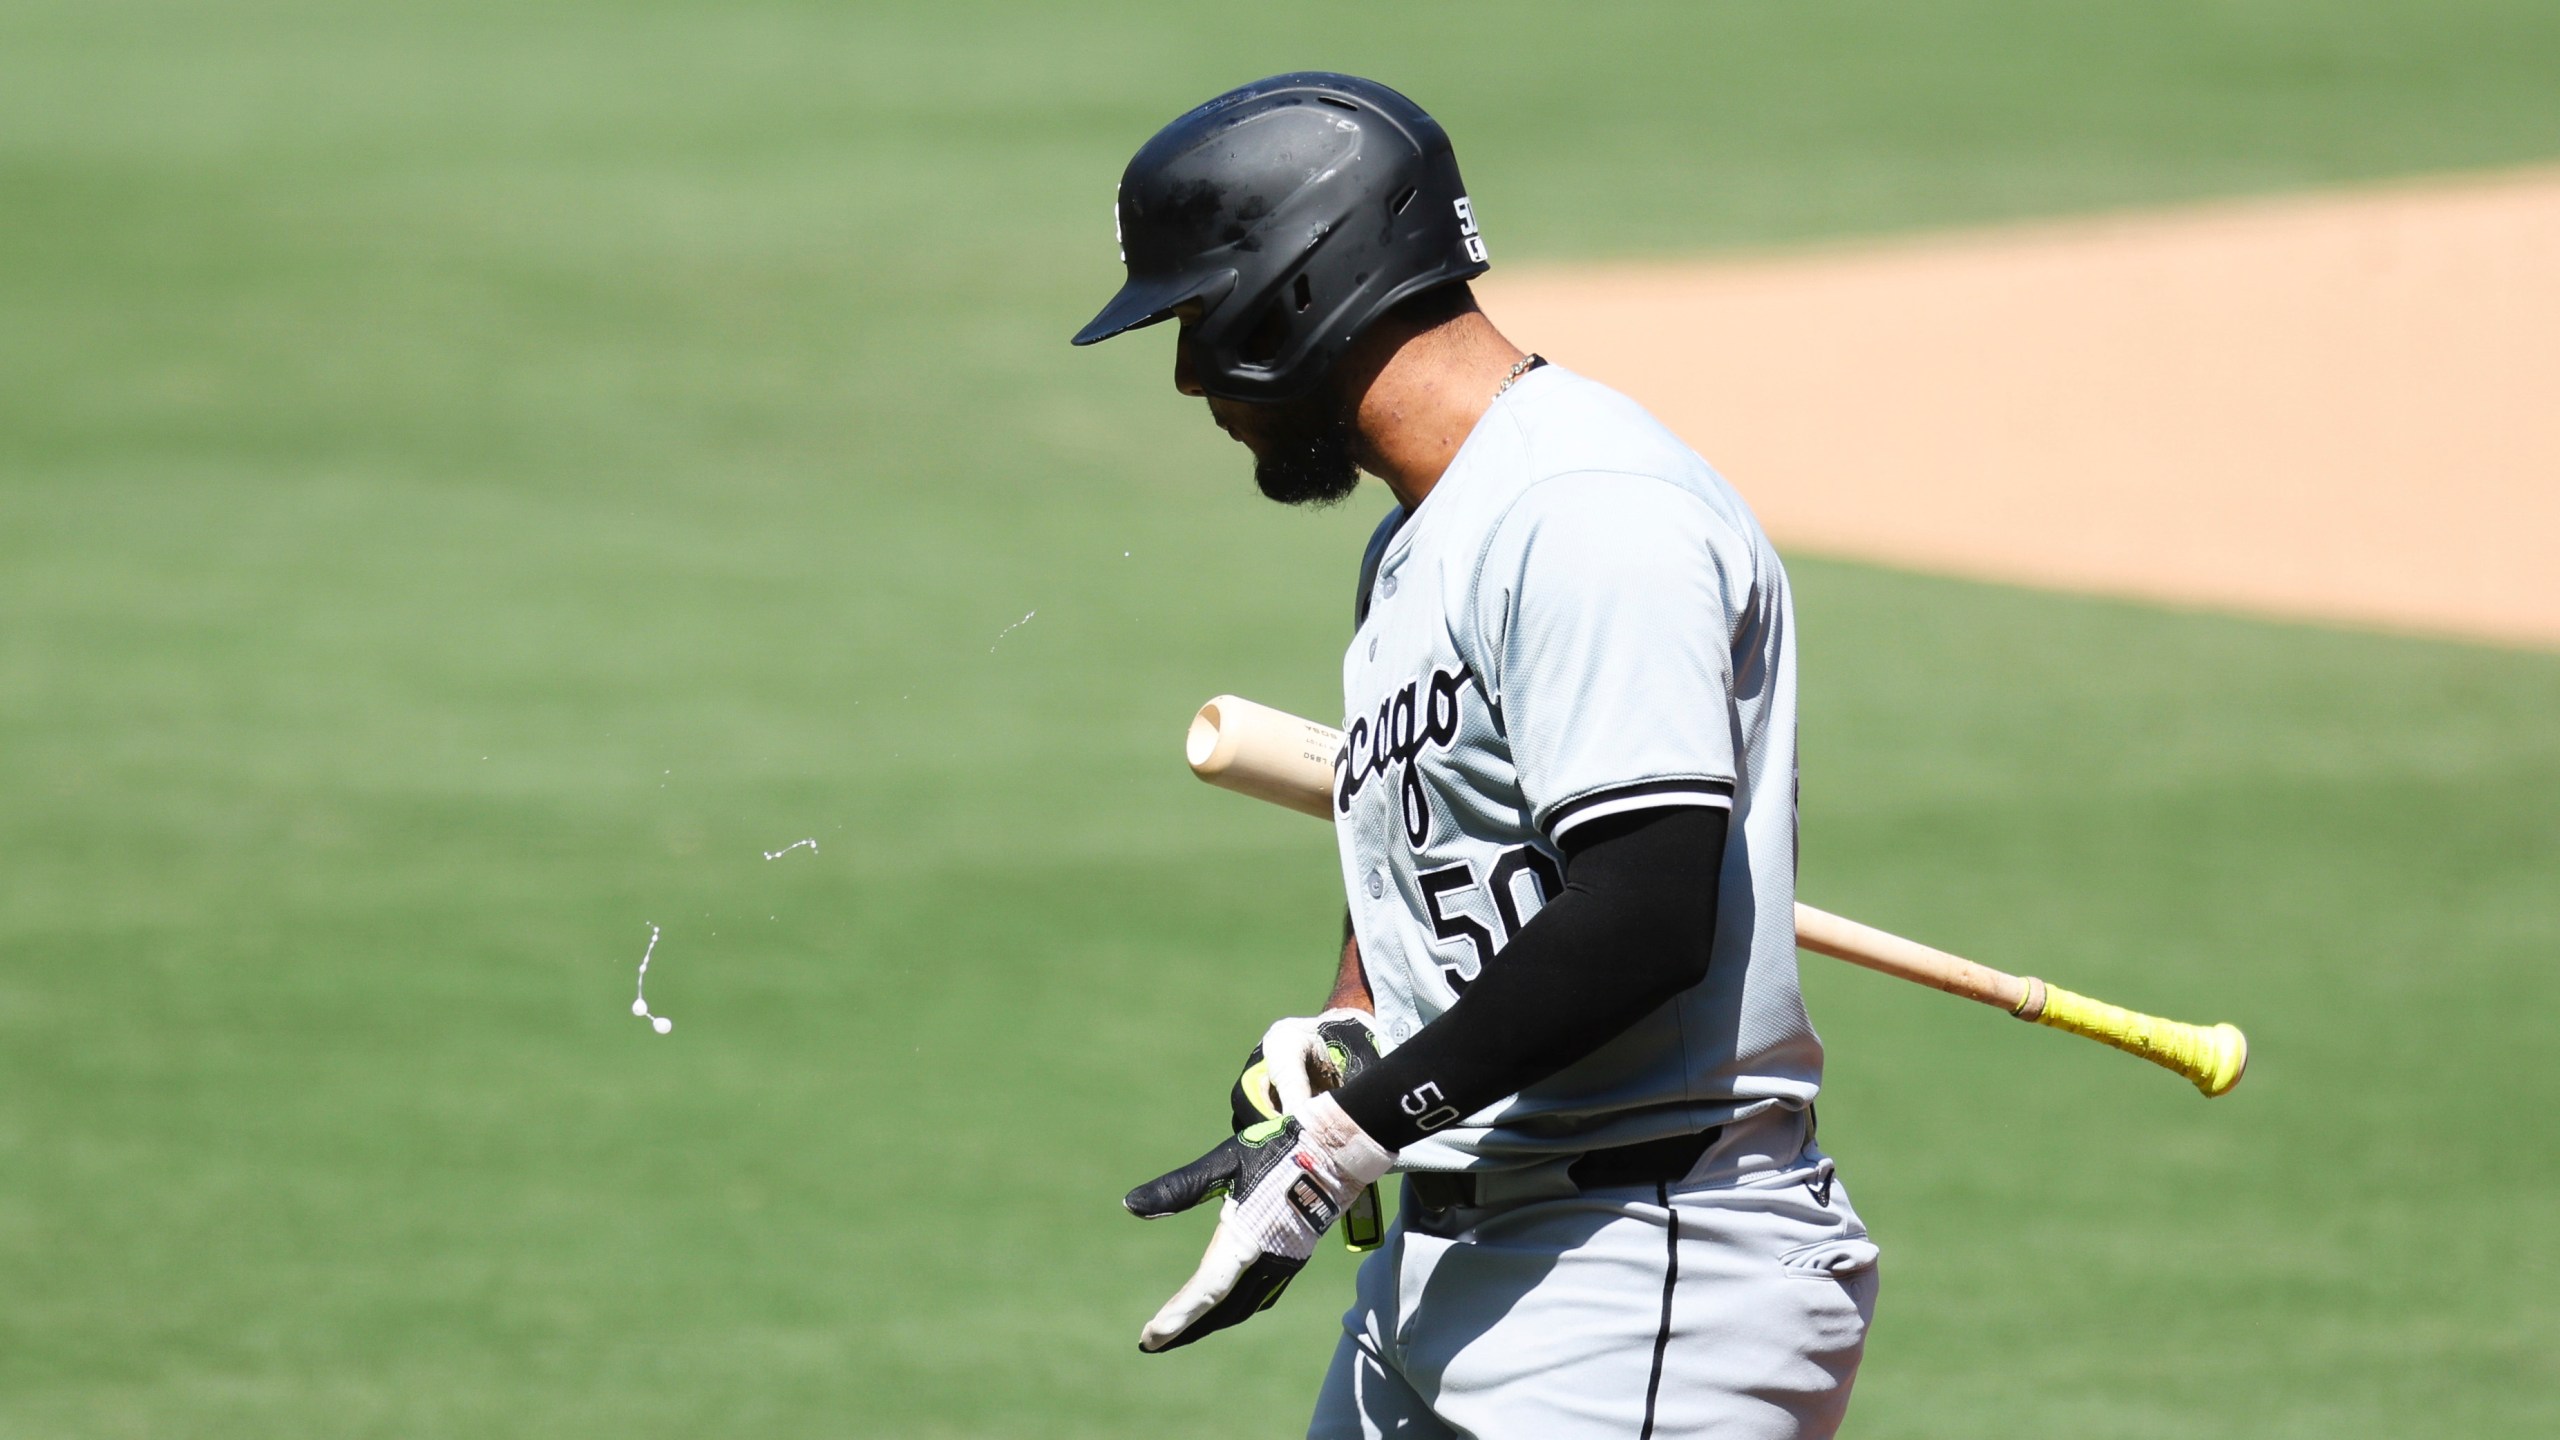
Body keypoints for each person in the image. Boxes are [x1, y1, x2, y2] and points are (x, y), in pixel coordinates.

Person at [1072, 72, 1878, 1440]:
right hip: (1450, 1267)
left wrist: (1342, 1144)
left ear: (1300, 289)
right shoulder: (1419, 542)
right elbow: (1426, 835)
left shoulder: (1586, 513)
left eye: (1199, 320)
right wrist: (1350, 1033)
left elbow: (1639, 919)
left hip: (1639, 1280)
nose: (1191, 376)